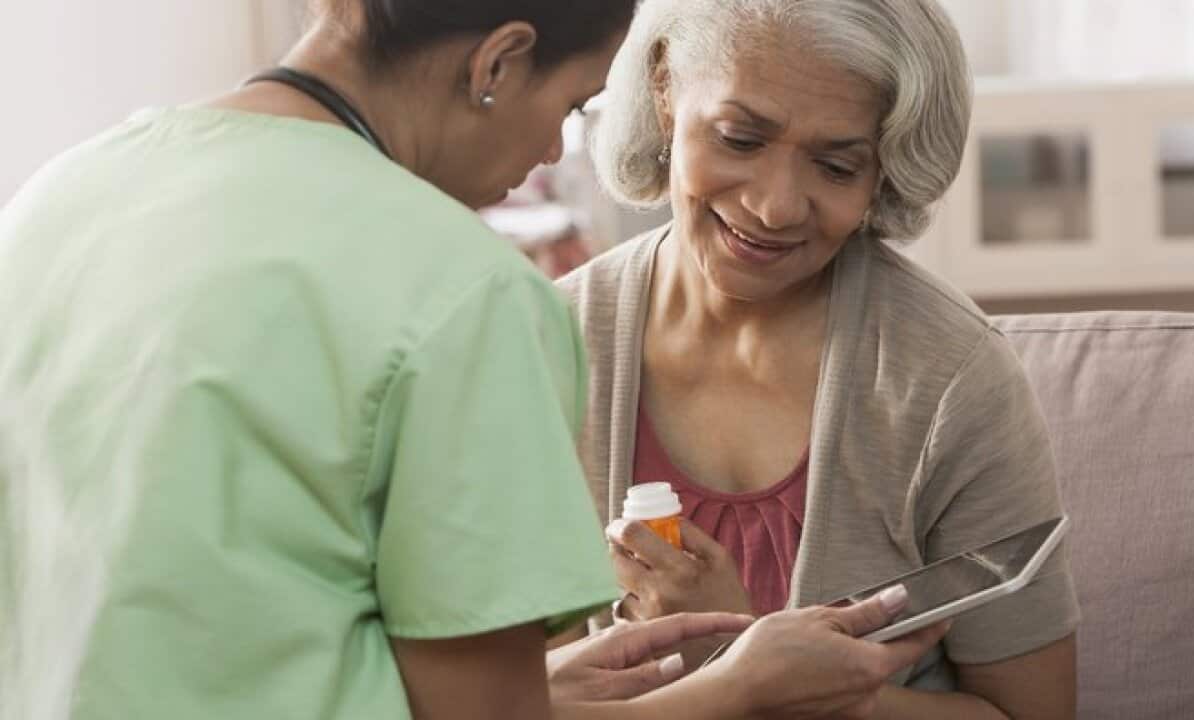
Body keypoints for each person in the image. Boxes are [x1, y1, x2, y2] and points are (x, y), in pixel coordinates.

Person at [0, 1, 947, 718]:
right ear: (499, 60)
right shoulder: (465, 290)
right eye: (570, 104)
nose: (548, 149)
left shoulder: (56, 196)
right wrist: (730, 693)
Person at [559, 0, 1082, 717]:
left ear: (883, 171)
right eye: (741, 139)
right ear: (664, 90)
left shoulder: (950, 379)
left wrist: (813, 692)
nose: (776, 207)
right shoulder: (548, 343)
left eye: (836, 166)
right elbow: (487, 689)